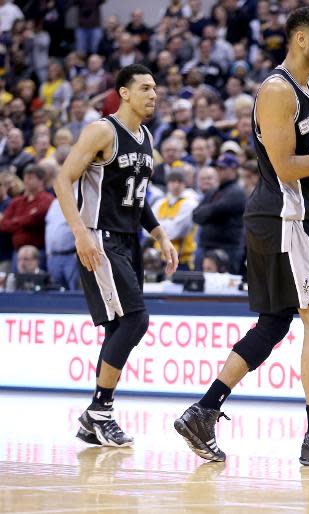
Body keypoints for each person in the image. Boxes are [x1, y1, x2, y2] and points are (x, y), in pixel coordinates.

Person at [174, 7, 309, 466]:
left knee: (273, 325)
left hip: (300, 217)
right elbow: (285, 167)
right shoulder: (277, 91)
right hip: (283, 219)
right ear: (300, 40)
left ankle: (204, 410)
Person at [53, 64, 179, 447]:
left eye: (155, 88)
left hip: (128, 240)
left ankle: (96, 417)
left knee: (118, 327)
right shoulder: (102, 131)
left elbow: (137, 202)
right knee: (135, 321)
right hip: (99, 237)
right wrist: (80, 234)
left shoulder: (145, 139)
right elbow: (62, 180)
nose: (153, 94)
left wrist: (160, 236)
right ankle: (100, 411)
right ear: (124, 93)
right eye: (144, 88)